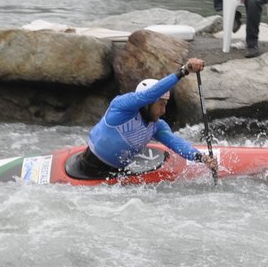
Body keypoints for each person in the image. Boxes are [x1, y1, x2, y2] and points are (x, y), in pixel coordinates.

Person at [67, 58, 219, 180]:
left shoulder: (157, 126)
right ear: (147, 104)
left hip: (117, 173)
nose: (163, 110)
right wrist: (184, 71)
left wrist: (203, 158)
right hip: (88, 168)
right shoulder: (121, 108)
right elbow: (149, 95)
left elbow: (177, 144)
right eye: (161, 104)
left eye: (165, 104)